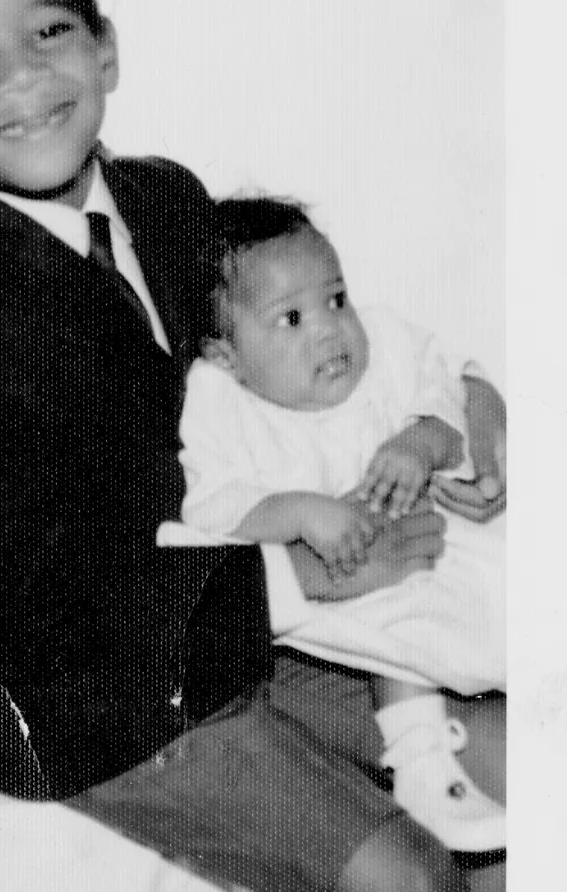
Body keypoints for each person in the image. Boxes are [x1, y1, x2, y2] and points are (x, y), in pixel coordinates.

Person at [0, 0, 506, 892]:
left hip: (230, 624)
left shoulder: (164, 201)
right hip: (86, 706)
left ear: (105, 48)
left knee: (512, 772)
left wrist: (469, 413)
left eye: (49, 32)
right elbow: (37, 618)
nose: (21, 78)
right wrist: (293, 571)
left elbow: (296, 362)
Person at [156, 196, 504, 852]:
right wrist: (303, 512)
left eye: (336, 299)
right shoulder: (220, 400)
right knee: (404, 633)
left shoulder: (387, 345)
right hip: (344, 590)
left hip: (437, 547)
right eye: (290, 318)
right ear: (227, 355)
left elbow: (448, 393)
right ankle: (420, 760)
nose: (328, 330)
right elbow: (213, 508)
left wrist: (422, 442)